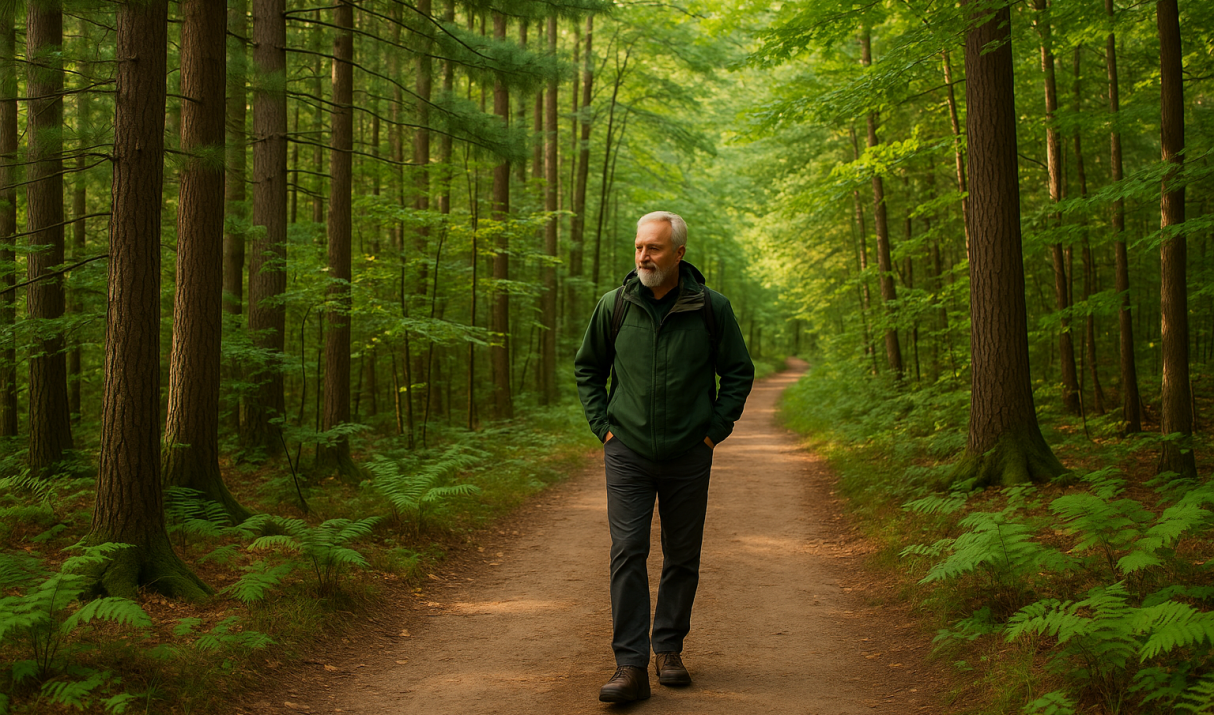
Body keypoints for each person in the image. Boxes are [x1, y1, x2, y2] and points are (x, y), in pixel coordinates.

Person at [574, 211, 755, 703]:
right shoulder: (614, 305)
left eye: (653, 249)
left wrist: (713, 433)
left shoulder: (711, 308)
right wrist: (604, 428)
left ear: (678, 253)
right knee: (628, 550)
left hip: (689, 453)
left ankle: (669, 649)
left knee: (682, 554)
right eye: (638, 248)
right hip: (627, 451)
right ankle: (629, 666)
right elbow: (588, 369)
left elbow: (738, 372)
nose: (643, 257)